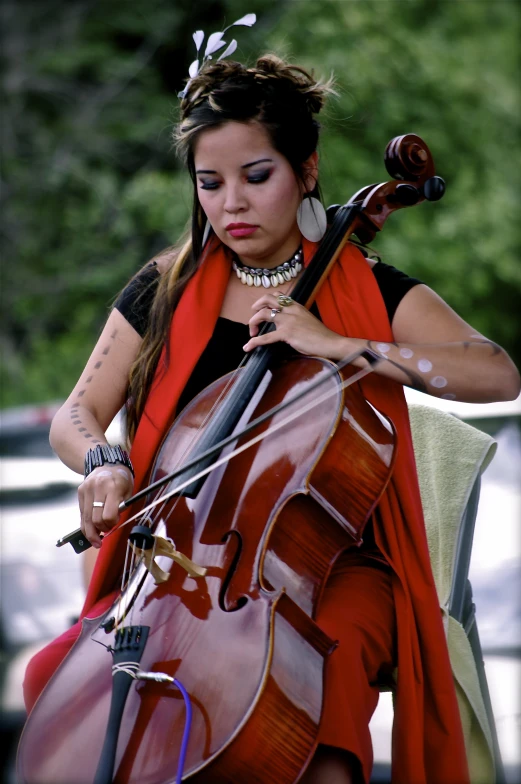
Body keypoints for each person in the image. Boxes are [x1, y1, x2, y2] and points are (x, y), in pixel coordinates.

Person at [22, 41, 519, 784]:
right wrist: (104, 461)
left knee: (319, 700)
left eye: (257, 176)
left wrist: (342, 343)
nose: (232, 204)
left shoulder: (373, 291)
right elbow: (79, 413)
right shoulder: (163, 287)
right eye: (210, 183)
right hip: (184, 564)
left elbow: (496, 373)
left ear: (305, 169)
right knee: (58, 684)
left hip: (333, 567)